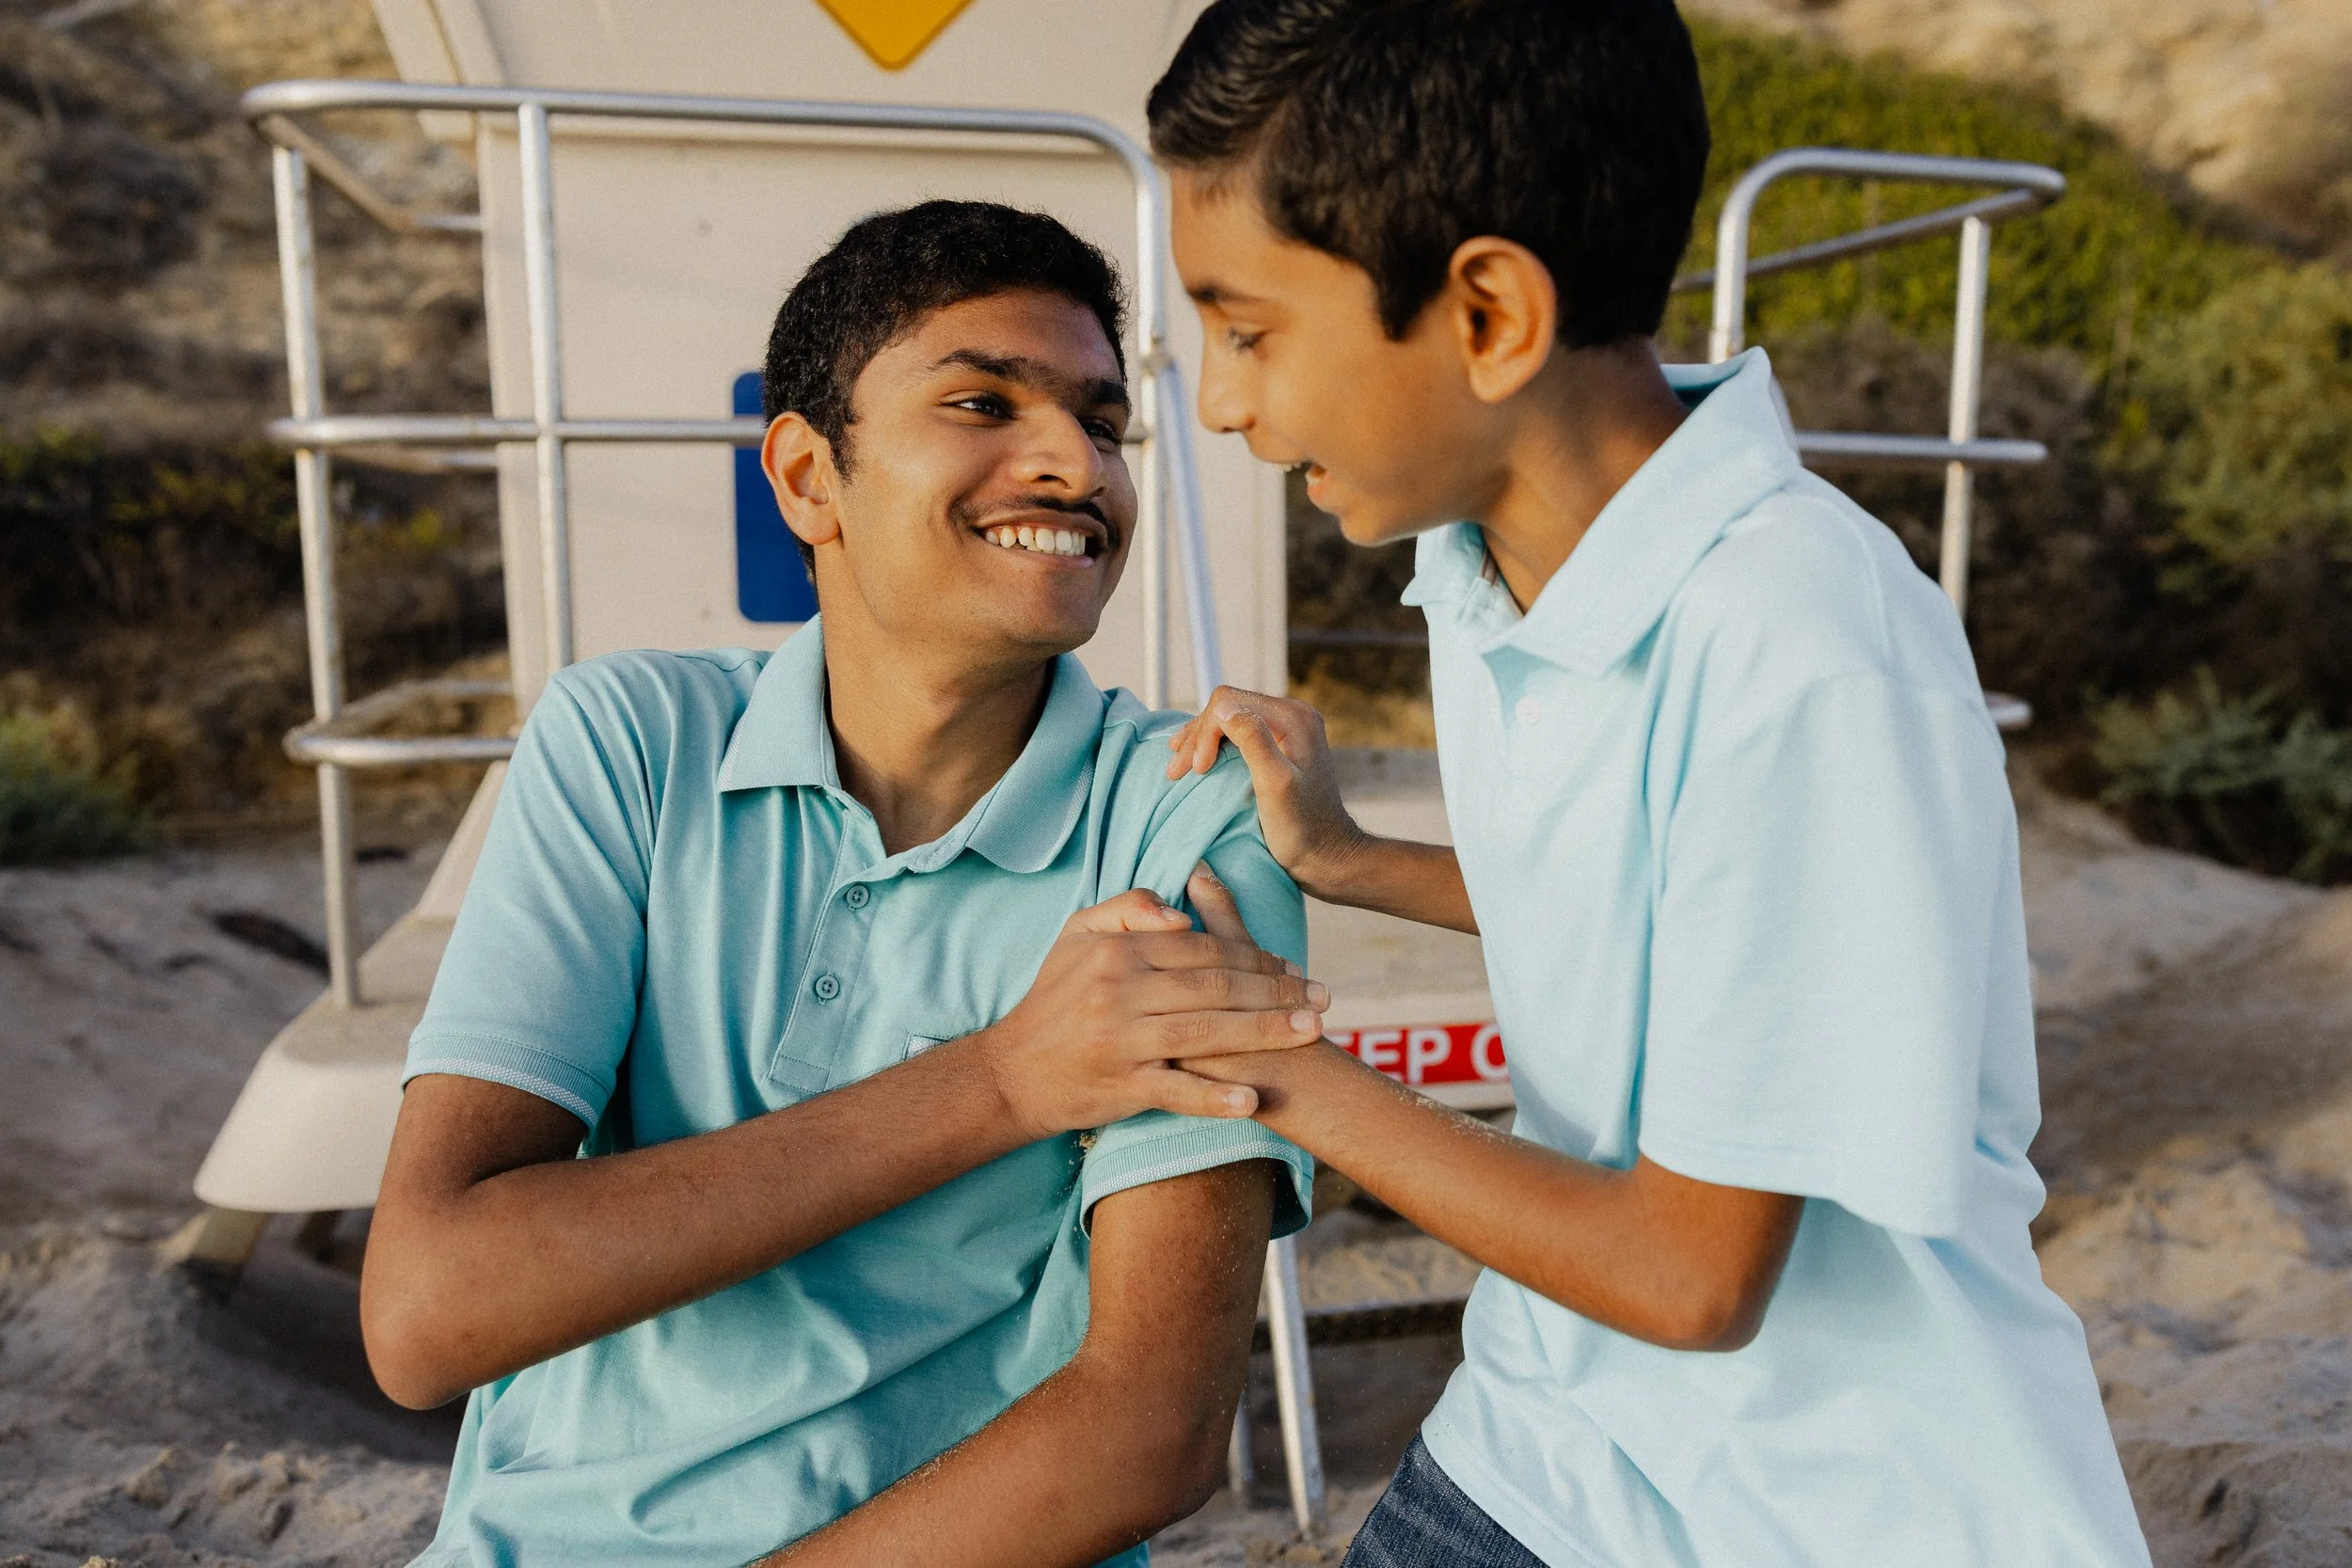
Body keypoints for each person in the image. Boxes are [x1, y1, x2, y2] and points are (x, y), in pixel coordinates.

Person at [1145, 3, 2153, 1564]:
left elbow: (1694, 1277)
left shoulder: (1803, 644)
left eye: (1250, 328)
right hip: (1551, 1435)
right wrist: (1352, 858)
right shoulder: (1486, 563)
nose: (1219, 400)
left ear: (1488, 314)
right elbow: (1655, 917)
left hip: (1819, 1505)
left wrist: (1270, 1065)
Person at [365, 198, 1327, 1568]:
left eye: (1103, 424)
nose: (1073, 463)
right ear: (809, 479)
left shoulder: (1185, 812)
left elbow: (1151, 1425)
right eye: (985, 401)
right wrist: (1001, 1080)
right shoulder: (627, 743)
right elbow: (424, 1314)